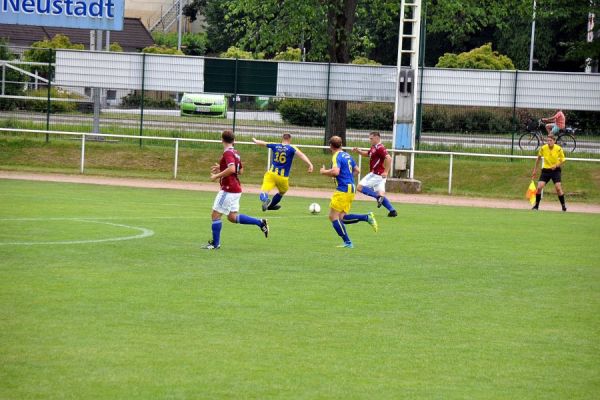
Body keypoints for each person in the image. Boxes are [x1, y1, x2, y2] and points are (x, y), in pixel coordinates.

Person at [202, 130, 269, 250]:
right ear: (234, 140)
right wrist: (221, 167)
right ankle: (260, 222)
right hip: (236, 188)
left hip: (229, 189)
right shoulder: (235, 152)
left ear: (222, 140)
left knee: (215, 215)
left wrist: (216, 176)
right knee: (232, 217)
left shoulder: (228, 153)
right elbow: (240, 170)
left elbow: (232, 169)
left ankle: (215, 244)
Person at [320, 135, 378, 249]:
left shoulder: (336, 156)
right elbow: (357, 170)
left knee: (333, 217)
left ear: (330, 146)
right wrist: (347, 177)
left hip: (343, 189)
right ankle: (367, 217)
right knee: (342, 217)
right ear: (341, 144)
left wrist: (324, 171)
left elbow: (336, 172)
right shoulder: (347, 155)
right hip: (351, 188)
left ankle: (348, 242)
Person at [252, 133, 314, 211]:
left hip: (271, 175)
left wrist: (255, 140)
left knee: (264, 192)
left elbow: (263, 143)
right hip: (282, 178)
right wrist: (310, 164)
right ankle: (271, 205)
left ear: (282, 138)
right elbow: (301, 155)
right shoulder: (291, 148)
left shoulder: (275, 145)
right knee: (282, 192)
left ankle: (265, 200)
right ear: (290, 139)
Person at [352, 131, 398, 217]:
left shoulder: (380, 148)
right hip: (380, 176)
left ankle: (378, 197)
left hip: (376, 174)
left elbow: (389, 158)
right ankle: (392, 211)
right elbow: (368, 154)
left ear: (377, 138)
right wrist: (359, 151)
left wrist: (386, 171)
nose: (370, 140)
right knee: (380, 194)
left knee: (359, 187)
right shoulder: (374, 147)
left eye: (371, 138)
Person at [531, 133, 567, 212]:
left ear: (554, 141)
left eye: (550, 140)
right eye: (548, 140)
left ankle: (563, 206)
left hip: (555, 170)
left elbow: (563, 159)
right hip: (546, 170)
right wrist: (534, 170)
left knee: (558, 188)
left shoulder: (558, 148)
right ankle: (536, 206)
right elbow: (538, 159)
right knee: (539, 187)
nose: (549, 142)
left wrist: (556, 165)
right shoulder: (543, 148)